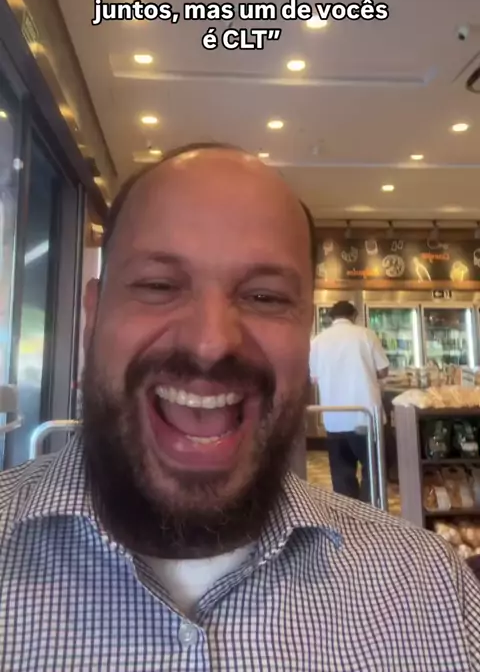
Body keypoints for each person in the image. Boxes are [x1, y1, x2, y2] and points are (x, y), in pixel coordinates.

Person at [1, 143, 480, 671]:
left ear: (306, 329)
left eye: (264, 297)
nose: (210, 344)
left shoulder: (434, 594)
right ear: (92, 317)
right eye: (159, 285)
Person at [309, 300, 389, 501]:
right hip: (365, 417)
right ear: (353, 316)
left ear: (331, 318)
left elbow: (314, 378)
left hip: (334, 419)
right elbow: (383, 371)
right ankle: (370, 512)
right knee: (372, 471)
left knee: (342, 475)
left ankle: (348, 515)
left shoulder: (317, 341)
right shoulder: (366, 335)